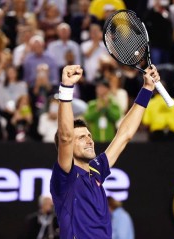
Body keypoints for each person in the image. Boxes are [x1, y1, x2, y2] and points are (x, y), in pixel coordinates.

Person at [50, 64, 159, 239]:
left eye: (89, 135)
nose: (89, 140)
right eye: (81, 137)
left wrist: (147, 88)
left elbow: (124, 135)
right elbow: (65, 137)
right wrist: (66, 88)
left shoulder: (96, 171)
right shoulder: (65, 177)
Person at [83, 77, 121, 142]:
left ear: (108, 89)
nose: (100, 89)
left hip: (110, 139)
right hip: (95, 139)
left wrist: (108, 107)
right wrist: (97, 110)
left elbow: (117, 117)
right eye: (99, 87)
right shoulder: (92, 104)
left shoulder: (113, 104)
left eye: (103, 87)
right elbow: (87, 118)